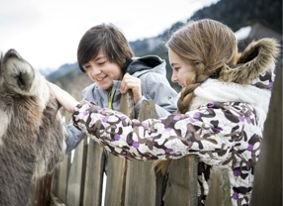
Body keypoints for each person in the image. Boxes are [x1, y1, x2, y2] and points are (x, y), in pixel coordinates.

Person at [54, 19, 279, 205]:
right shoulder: (224, 108)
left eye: (178, 68)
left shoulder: (227, 118)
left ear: (202, 63)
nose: (172, 78)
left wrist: (76, 107)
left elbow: (141, 139)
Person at [65, 23, 177, 152]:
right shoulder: (92, 95)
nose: (94, 72)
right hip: (112, 172)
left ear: (120, 57)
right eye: (87, 67)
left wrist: (140, 101)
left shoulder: (150, 80)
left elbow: (176, 126)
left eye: (101, 63)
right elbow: (70, 137)